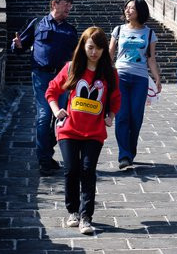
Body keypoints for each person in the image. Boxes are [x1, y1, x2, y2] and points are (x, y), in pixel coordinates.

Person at [46, 26, 121, 235]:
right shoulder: (72, 68)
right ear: (83, 47)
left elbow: (116, 99)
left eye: (98, 48)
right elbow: (51, 90)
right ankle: (73, 211)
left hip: (94, 132)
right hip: (69, 130)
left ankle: (86, 217)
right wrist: (56, 110)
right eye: (90, 47)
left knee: (88, 171)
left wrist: (111, 116)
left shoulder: (110, 73)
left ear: (104, 50)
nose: (94, 52)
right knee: (71, 170)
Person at [11, 0, 78, 176]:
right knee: (44, 115)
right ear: (54, 4)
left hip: (63, 79)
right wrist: (16, 45)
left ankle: (46, 152)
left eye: (70, 6)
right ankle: (44, 160)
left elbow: (76, 56)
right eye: (65, 5)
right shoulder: (38, 23)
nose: (68, 9)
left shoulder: (71, 30)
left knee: (61, 117)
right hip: (41, 76)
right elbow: (20, 46)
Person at [108, 0, 162, 170]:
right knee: (122, 115)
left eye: (132, 8)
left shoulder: (149, 33)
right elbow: (110, 55)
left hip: (140, 78)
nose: (128, 11)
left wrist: (157, 77)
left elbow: (151, 59)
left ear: (140, 11)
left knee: (136, 117)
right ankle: (124, 154)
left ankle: (131, 149)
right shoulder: (118, 30)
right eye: (127, 8)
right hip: (120, 76)